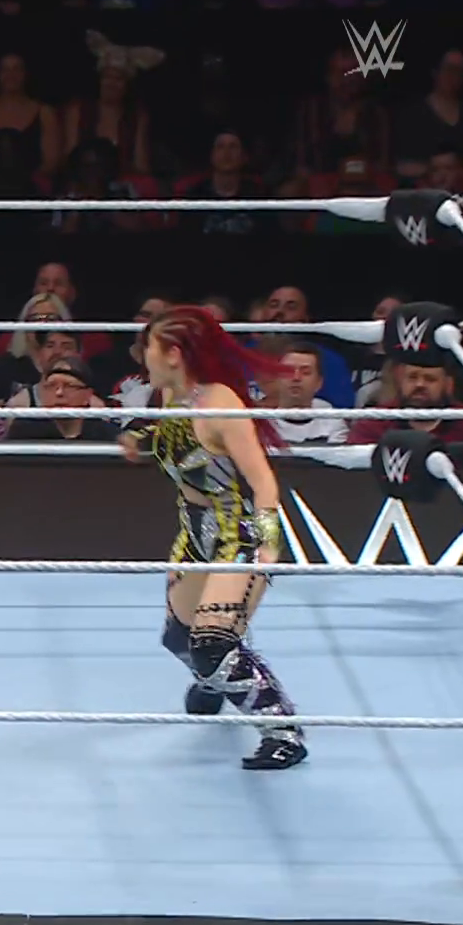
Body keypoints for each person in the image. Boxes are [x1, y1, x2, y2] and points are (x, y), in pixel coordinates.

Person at [117, 306, 303, 771]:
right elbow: (179, 441)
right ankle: (216, 677)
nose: (143, 356)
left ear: (174, 354)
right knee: (178, 639)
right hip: (195, 533)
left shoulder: (222, 406)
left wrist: (268, 547)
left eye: (149, 347)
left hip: (238, 536)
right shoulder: (171, 395)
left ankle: (284, 733)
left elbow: (264, 484)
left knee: (211, 645)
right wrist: (140, 436)